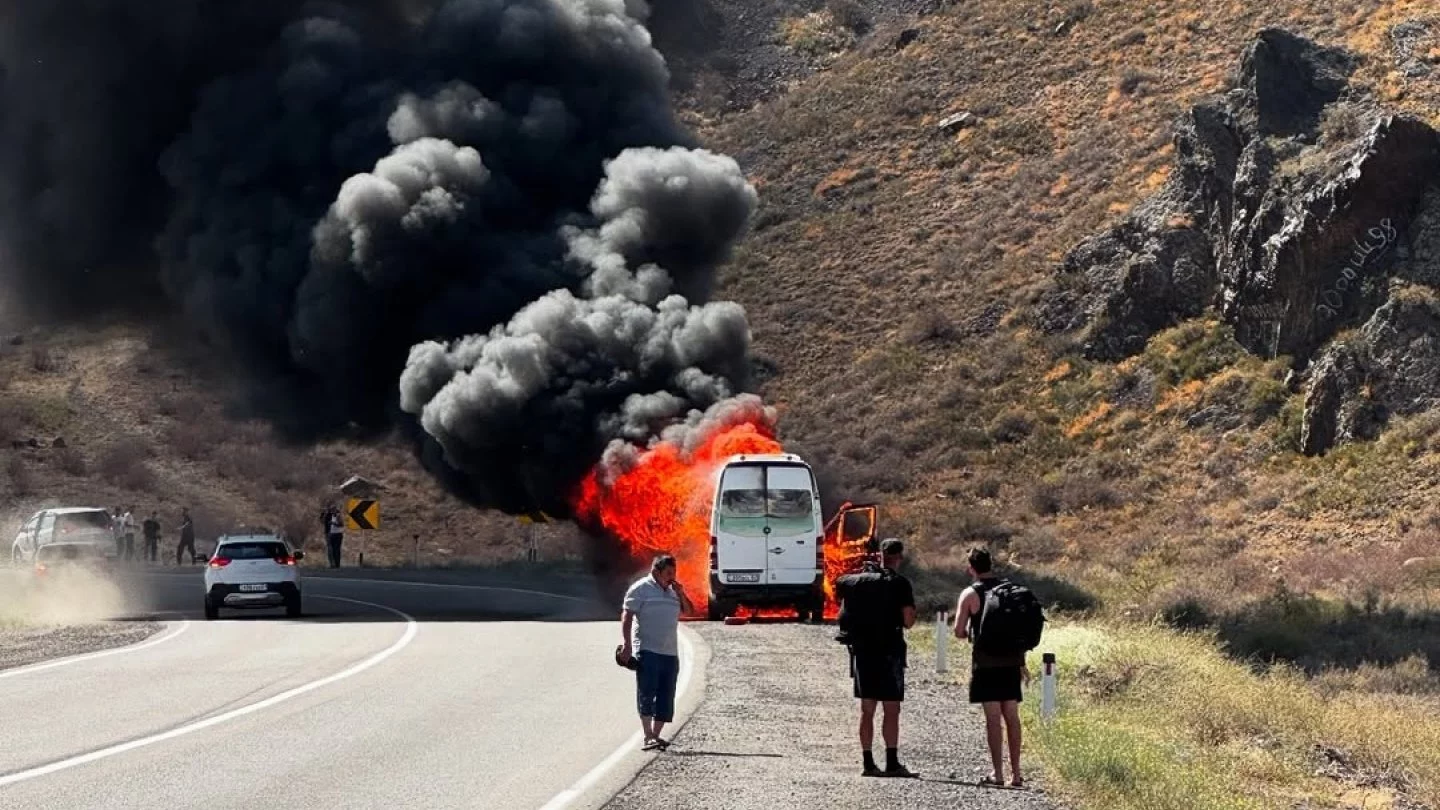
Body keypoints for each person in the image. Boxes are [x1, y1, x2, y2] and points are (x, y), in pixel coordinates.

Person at [834, 537, 917, 777]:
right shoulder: (900, 584)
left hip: (863, 651)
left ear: (880, 555)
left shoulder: (858, 581)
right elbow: (908, 620)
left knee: (867, 709)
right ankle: (892, 762)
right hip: (890, 651)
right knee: (892, 709)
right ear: (899, 557)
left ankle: (868, 763)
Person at [953, 547, 1032, 788]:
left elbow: (958, 631)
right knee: (1012, 716)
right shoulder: (1008, 590)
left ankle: (997, 774)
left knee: (992, 719)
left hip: (985, 664)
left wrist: (970, 633)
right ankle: (1016, 775)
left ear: (971, 568)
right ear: (991, 565)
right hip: (1011, 662)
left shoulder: (970, 593)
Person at [619, 554, 691, 751]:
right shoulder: (640, 589)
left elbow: (689, 611)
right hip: (647, 648)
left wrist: (682, 593)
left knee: (666, 694)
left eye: (674, 572)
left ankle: (656, 735)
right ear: (655, 572)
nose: (672, 576)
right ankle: (647, 734)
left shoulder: (674, 591)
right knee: (647, 691)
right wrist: (626, 644)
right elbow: (627, 616)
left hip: (670, 651)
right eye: (668, 573)